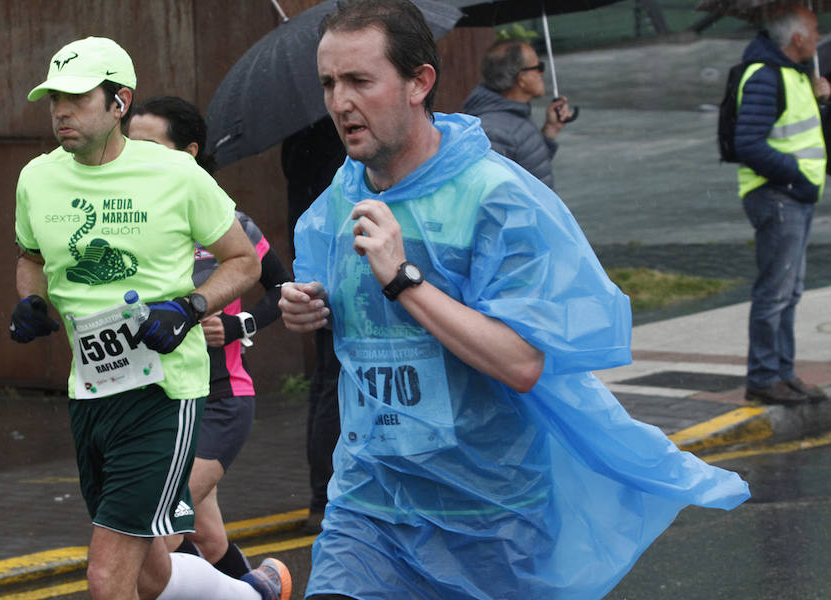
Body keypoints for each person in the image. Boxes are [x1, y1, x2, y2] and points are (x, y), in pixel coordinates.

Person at [279, 2, 750, 599]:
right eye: (328, 83)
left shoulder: (496, 199)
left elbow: (522, 362)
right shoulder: (334, 204)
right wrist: (311, 307)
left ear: (419, 82)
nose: (340, 102)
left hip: (489, 514)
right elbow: (349, 317)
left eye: (359, 81)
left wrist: (404, 279)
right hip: (371, 504)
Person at [10, 37, 291, 600]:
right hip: (91, 391)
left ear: (120, 102)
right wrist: (32, 303)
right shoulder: (36, 178)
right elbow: (31, 257)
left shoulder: (177, 175)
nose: (60, 110)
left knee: (105, 575)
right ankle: (249, 594)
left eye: (76, 97)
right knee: (149, 569)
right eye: (53, 99)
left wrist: (190, 307)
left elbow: (244, 263)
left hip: (165, 393)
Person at [128, 96, 294, 576]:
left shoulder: (229, 226)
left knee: (158, 530)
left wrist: (241, 326)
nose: (137, 160)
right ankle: (255, 588)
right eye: (130, 148)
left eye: (150, 148)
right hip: (166, 403)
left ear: (190, 152)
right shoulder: (135, 229)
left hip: (222, 401)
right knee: (207, 534)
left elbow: (283, 288)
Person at [734, 6, 830, 405]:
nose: (819, 35)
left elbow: (803, 133)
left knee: (789, 291)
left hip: (795, 196)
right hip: (779, 196)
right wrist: (797, 176)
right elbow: (749, 143)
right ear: (796, 39)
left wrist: (821, 101)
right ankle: (763, 377)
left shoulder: (795, 75)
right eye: (813, 29)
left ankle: (783, 373)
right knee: (775, 292)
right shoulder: (764, 76)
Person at [281, 117, 346, 534]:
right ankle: (324, 497)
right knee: (333, 383)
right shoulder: (337, 143)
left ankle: (320, 498)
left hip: (317, 265)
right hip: (338, 269)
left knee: (326, 383)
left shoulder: (296, 134)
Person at [461, 39, 571, 189]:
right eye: (538, 67)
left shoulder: (512, 114)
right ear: (522, 78)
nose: (542, 73)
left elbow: (530, 166)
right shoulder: (494, 129)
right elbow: (491, 193)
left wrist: (551, 129)